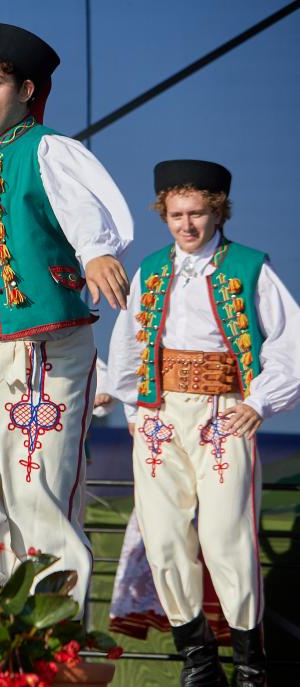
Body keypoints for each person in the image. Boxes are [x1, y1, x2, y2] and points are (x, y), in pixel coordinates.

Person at [0, 21, 132, 611]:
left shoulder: (46, 150)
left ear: (26, 90)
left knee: (37, 503)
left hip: (42, 355)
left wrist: (95, 251)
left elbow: (88, 211)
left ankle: (48, 647)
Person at [106, 159, 300, 686]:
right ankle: (198, 659)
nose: (186, 225)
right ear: (163, 214)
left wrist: (259, 402)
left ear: (217, 213)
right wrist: (134, 409)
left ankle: (251, 667)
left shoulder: (250, 268)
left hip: (222, 413)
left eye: (196, 214)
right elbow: (127, 345)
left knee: (224, 537)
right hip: (160, 415)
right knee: (164, 537)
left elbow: (288, 344)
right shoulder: (151, 270)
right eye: (176, 215)